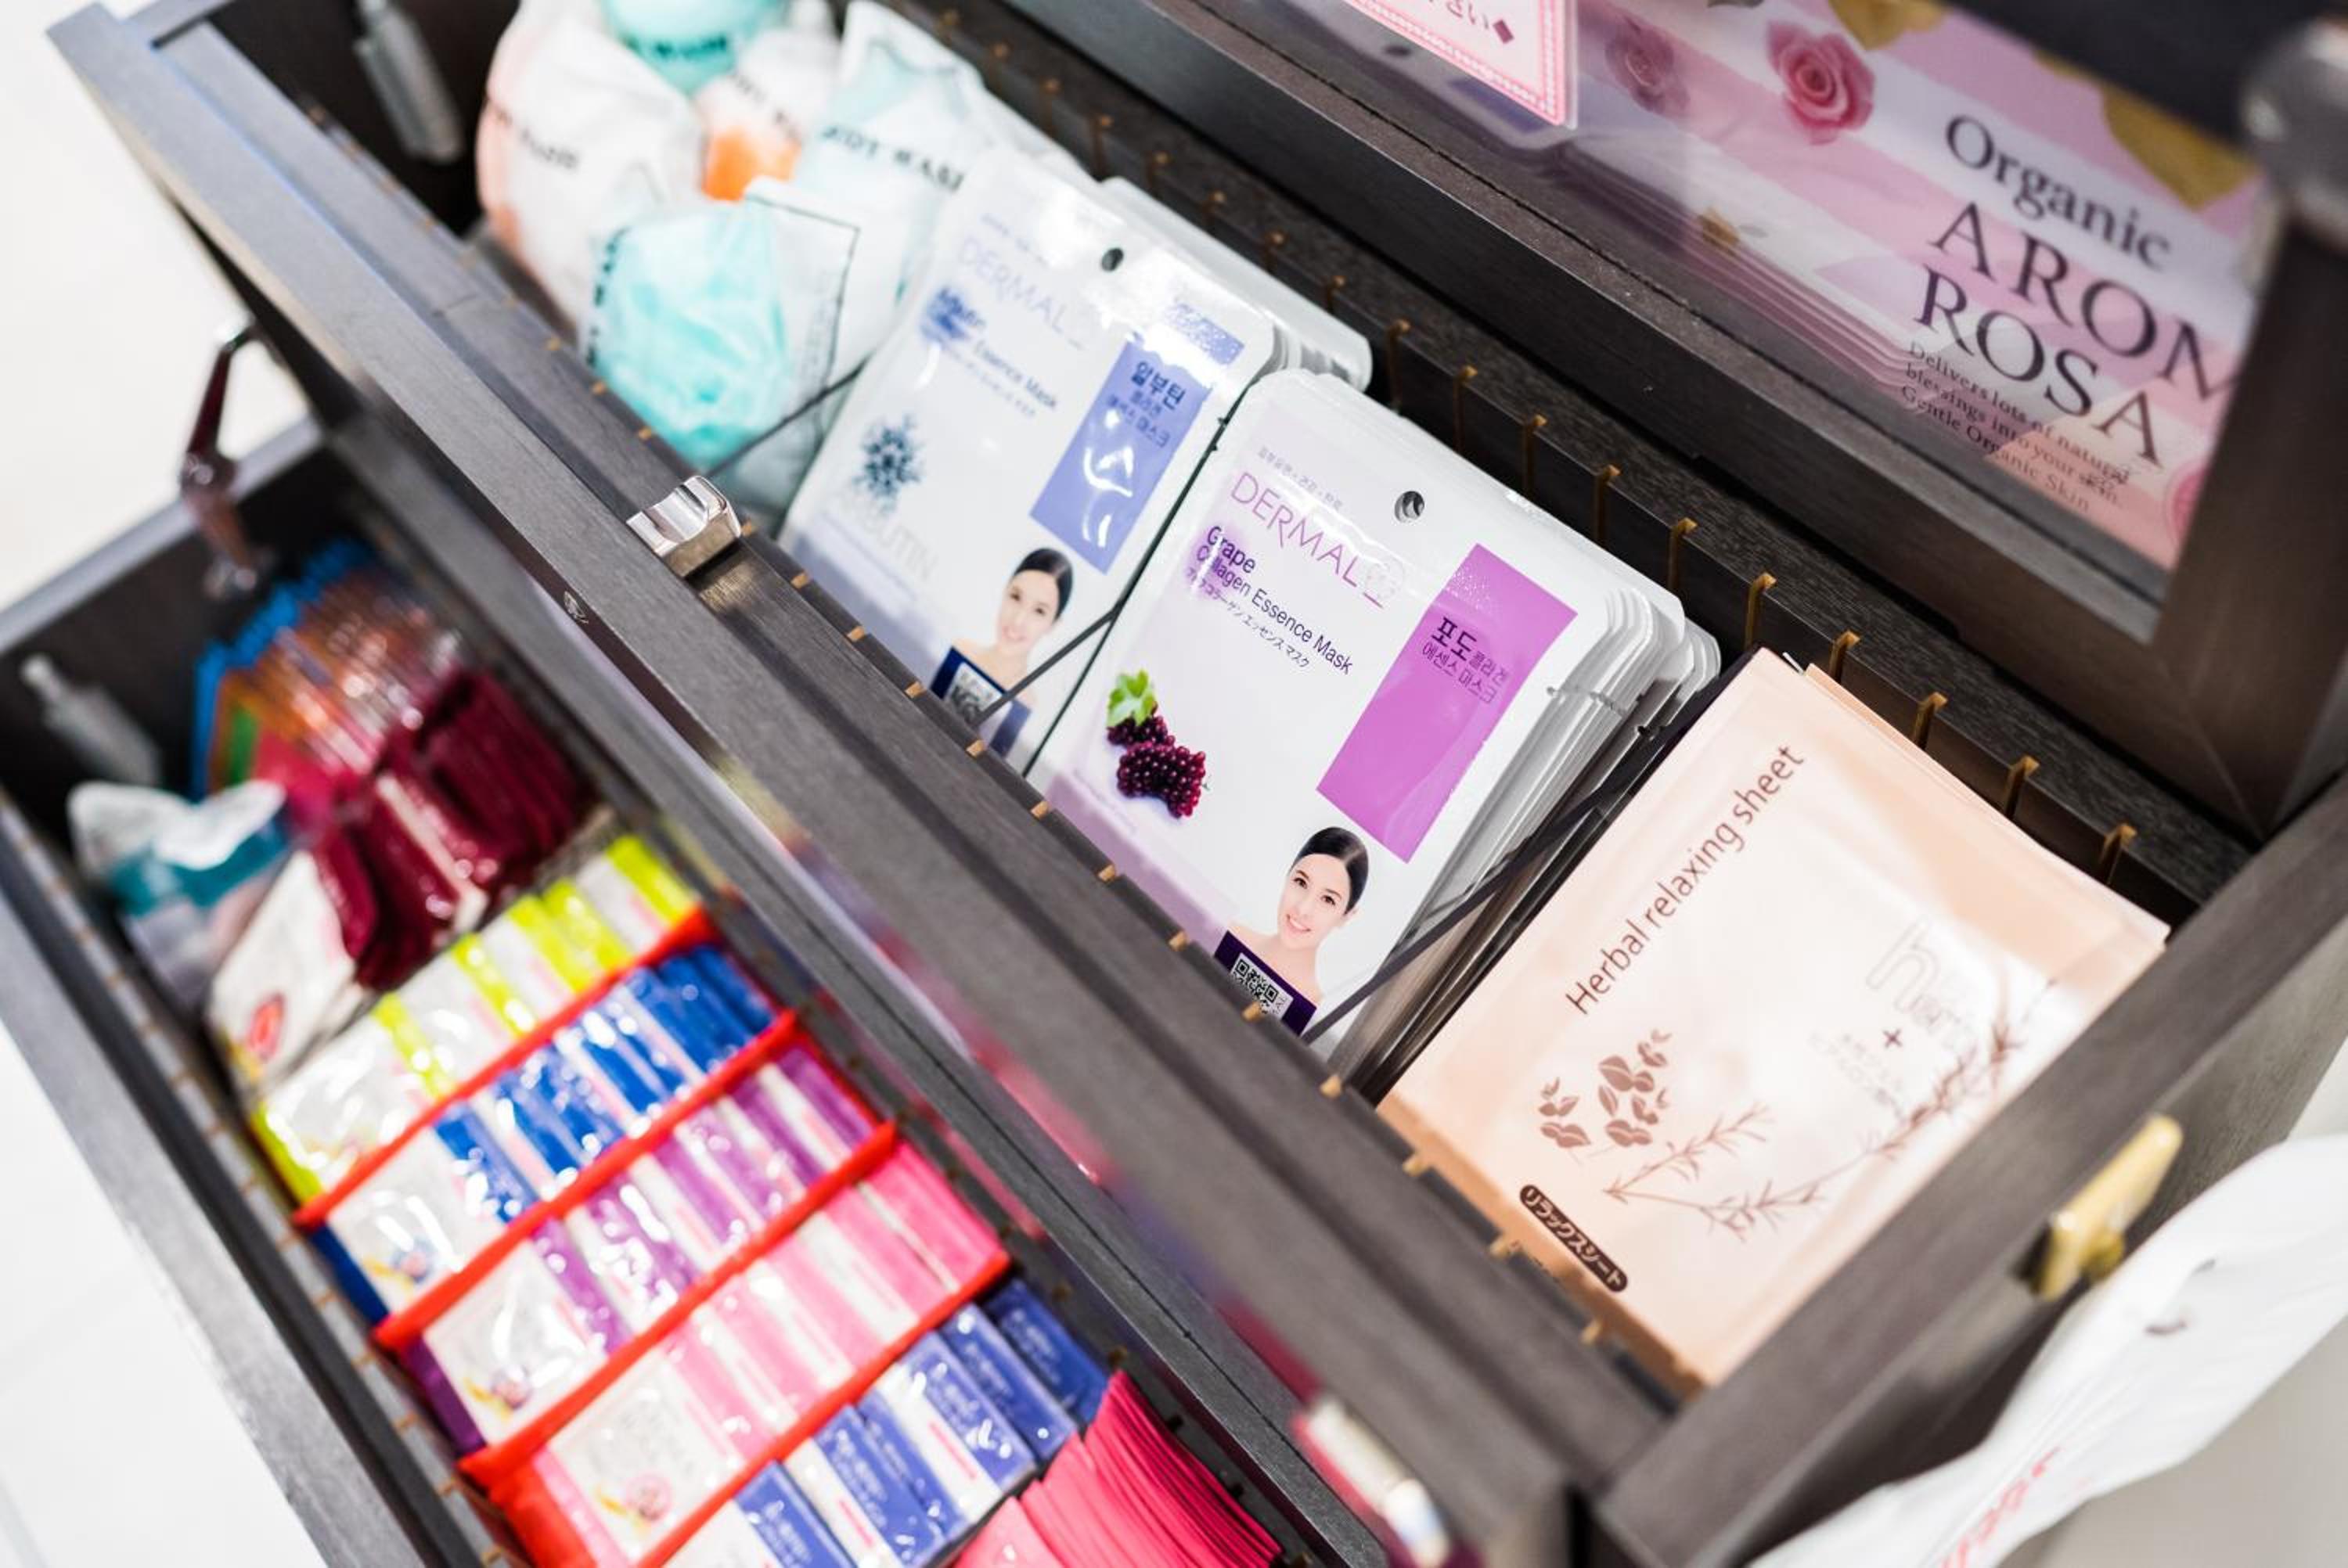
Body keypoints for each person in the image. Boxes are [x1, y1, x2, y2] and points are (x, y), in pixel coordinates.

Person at [1227, 827, 1370, 1009]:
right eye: (1301, 882)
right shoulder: (1228, 933)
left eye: (1328, 899)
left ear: (1346, 916)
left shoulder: (1313, 1007)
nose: (1303, 909)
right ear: (1288, 876)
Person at [953, 548, 1073, 690]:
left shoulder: (1025, 699)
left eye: (1039, 611)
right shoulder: (958, 650)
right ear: (1005, 591)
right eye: (1016, 597)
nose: (1018, 621)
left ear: (1054, 624)